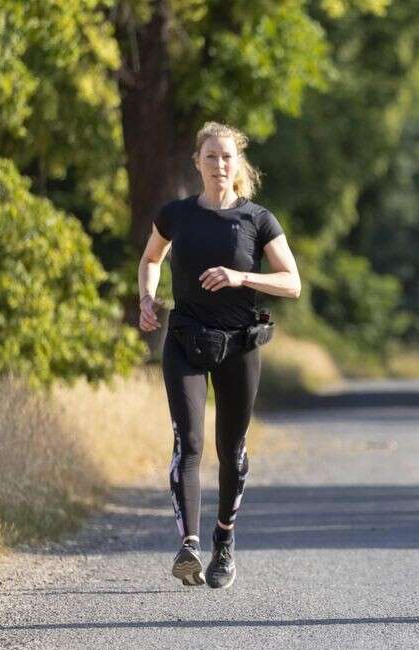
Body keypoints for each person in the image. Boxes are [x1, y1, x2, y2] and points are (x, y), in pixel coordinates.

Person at [137, 121, 301, 589]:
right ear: (197, 163)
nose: (219, 164)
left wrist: (241, 277)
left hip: (239, 345)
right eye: (210, 156)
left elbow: (292, 282)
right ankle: (189, 544)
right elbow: (151, 259)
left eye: (227, 157)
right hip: (185, 340)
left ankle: (223, 542)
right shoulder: (176, 215)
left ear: (237, 164)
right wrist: (146, 300)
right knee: (188, 443)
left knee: (231, 450)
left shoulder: (258, 219)